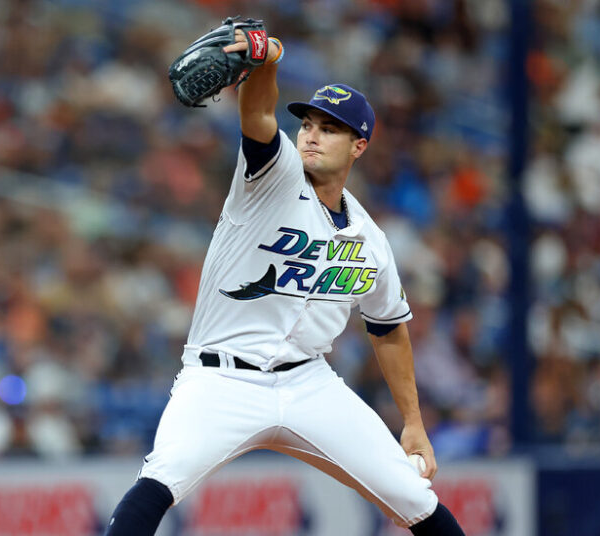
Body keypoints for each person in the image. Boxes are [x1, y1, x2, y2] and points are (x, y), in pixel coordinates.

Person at [104, 28, 466, 536]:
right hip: (221, 377)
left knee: (415, 497)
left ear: (359, 145)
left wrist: (413, 422)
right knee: (161, 479)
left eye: (330, 129)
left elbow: (388, 328)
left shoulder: (371, 240)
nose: (312, 135)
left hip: (308, 383)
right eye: (308, 124)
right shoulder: (274, 177)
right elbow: (257, 116)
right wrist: (267, 63)